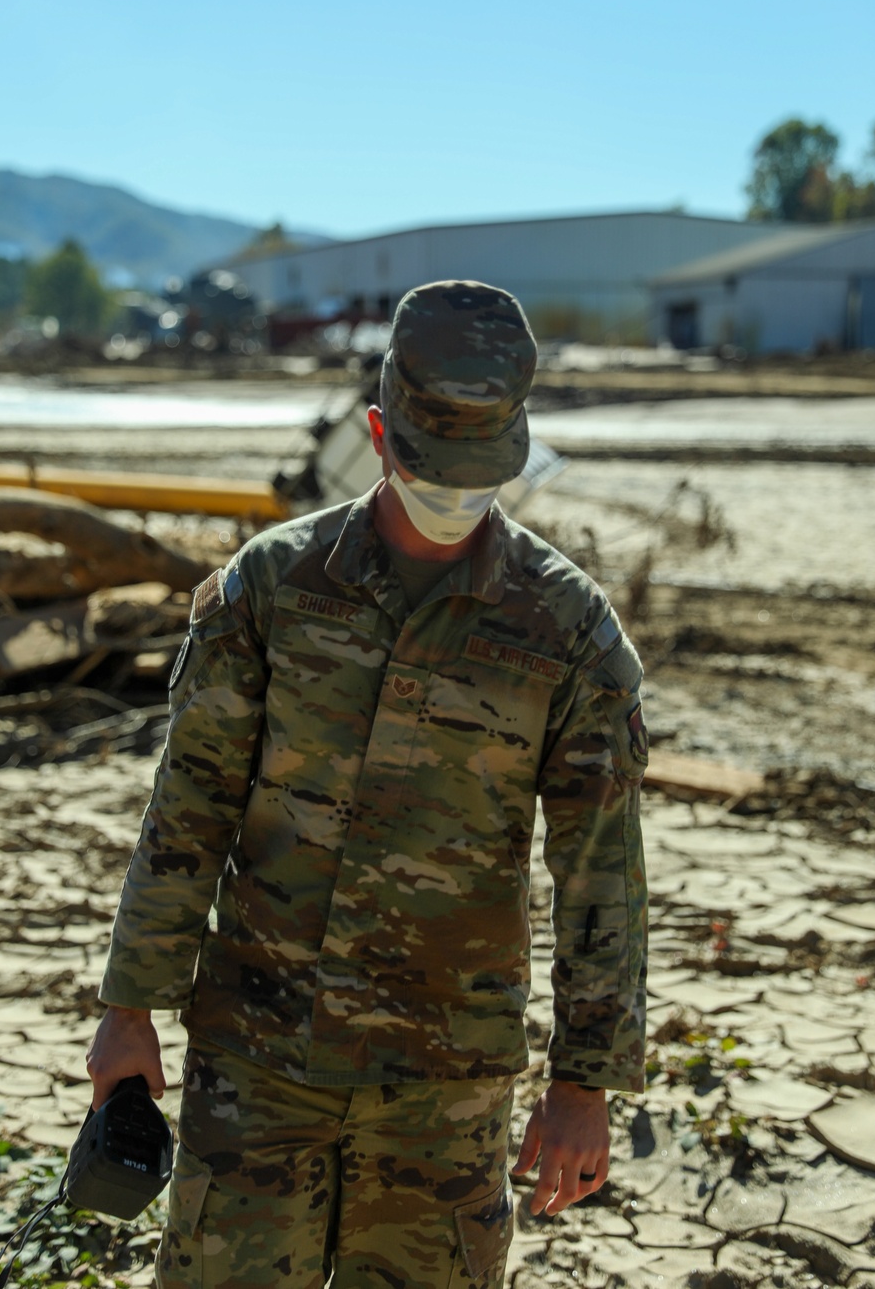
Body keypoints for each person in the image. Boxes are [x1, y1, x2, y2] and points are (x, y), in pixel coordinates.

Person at [87, 280, 648, 1289]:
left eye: (480, 475)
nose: (455, 501)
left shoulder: (568, 631)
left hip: (443, 1086)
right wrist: (131, 1008)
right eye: (436, 470)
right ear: (378, 430)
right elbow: (189, 809)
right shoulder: (270, 587)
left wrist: (586, 1080)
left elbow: (601, 873)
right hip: (257, 1063)